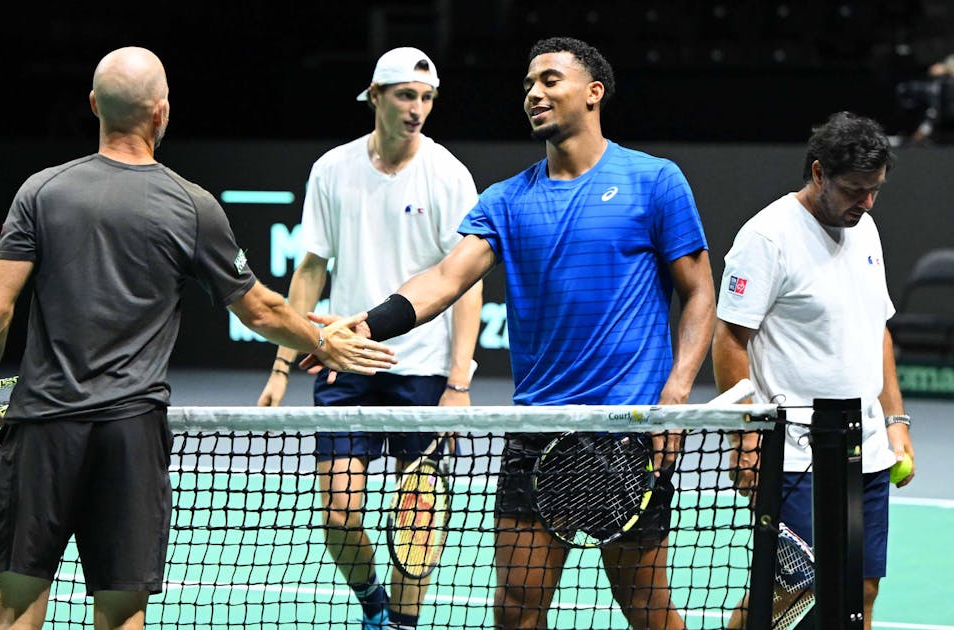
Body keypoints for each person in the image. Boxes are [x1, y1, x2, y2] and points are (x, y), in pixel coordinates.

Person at [0, 46, 394, 630]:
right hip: (130, 435)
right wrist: (323, 340)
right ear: (162, 113)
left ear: (94, 106)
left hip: (41, 427)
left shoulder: (40, 191)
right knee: (121, 612)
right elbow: (261, 309)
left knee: (16, 606)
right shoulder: (192, 206)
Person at [313, 36, 715, 629]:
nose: (534, 93)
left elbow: (700, 291)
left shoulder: (654, 181)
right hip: (536, 434)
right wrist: (366, 324)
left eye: (550, 80)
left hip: (627, 431)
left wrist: (677, 391)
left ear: (594, 93)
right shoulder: (507, 200)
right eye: (529, 84)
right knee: (517, 609)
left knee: (646, 608)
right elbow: (444, 279)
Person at [256, 46, 482, 630]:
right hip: (346, 366)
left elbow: (465, 284)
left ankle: (403, 624)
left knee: (419, 517)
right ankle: (374, 606)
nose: (418, 108)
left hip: (424, 371)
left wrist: (459, 382)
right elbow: (310, 272)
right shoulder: (332, 170)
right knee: (339, 516)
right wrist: (282, 368)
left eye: (427, 98)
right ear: (375, 95)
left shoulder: (450, 174)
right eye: (407, 95)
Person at [712, 111, 916, 629]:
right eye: (855, 190)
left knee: (862, 589)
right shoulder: (767, 237)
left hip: (863, 444)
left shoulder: (865, 228)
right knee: (791, 588)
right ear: (819, 172)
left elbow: (879, 331)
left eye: (875, 190)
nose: (867, 203)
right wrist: (747, 437)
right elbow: (730, 338)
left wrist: (896, 423)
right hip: (796, 451)